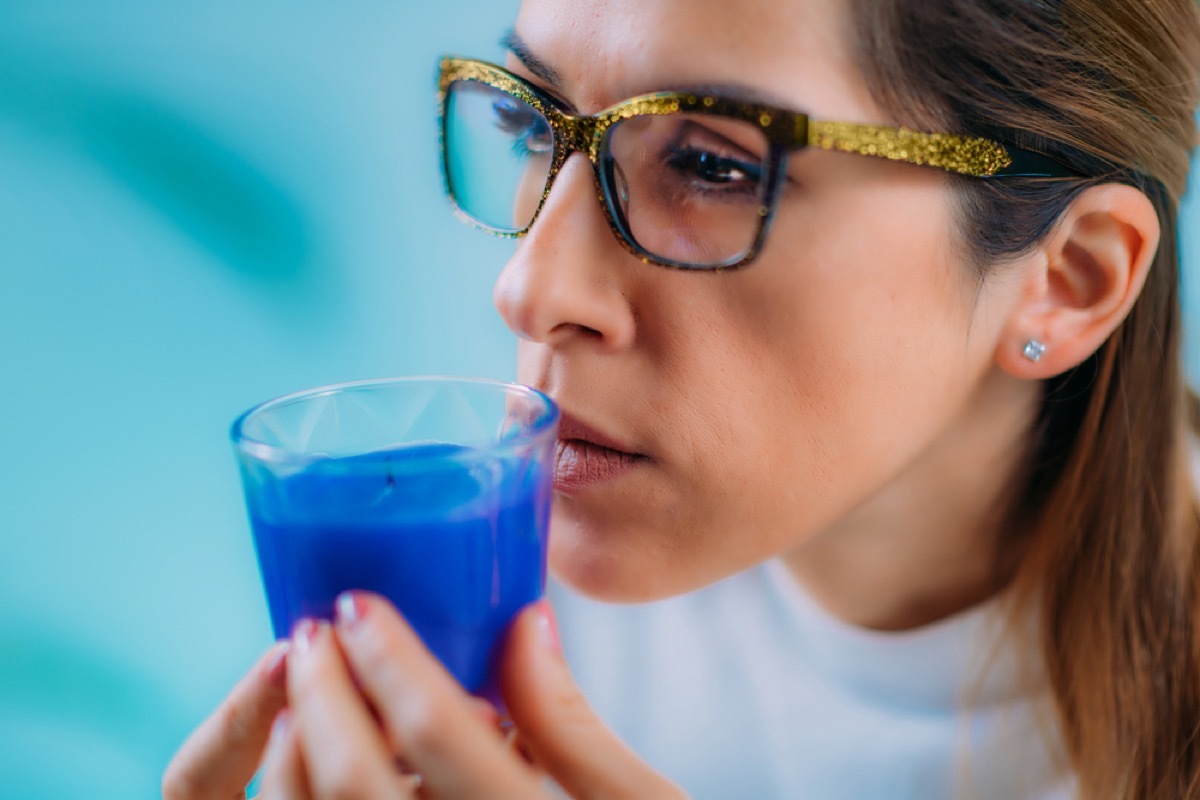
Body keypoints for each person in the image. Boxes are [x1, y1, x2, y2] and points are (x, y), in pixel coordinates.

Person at [163, 0, 1200, 797]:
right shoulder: (482, 598)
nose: (529, 288)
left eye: (711, 164)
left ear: (1069, 278)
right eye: (531, 125)